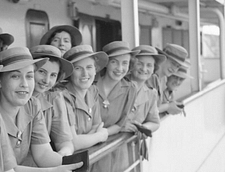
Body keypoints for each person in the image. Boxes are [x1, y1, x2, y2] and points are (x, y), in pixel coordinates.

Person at [0, 47, 82, 171]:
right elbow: (6, 169)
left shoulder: (32, 104)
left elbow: (43, 153)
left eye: (29, 76)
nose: (25, 84)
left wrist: (74, 163)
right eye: (15, 76)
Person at [90, 41, 139, 172]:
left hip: (114, 153)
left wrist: (104, 133)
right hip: (88, 151)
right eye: (114, 62)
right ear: (106, 63)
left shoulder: (130, 89)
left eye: (125, 63)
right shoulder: (90, 84)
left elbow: (120, 124)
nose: (119, 68)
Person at [61, 45, 109, 151]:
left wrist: (85, 140)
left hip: (90, 154)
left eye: (89, 67)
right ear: (70, 73)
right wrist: (100, 136)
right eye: (78, 68)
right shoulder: (63, 97)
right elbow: (74, 143)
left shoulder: (93, 90)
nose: (85, 74)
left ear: (95, 70)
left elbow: (97, 125)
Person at [30, 45, 74, 156]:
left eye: (53, 75)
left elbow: (64, 140)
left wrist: (63, 153)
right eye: (42, 72)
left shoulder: (54, 98)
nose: (47, 80)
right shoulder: (13, 97)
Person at [122, 45, 164, 134]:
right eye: (139, 63)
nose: (144, 69)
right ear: (131, 65)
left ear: (154, 69)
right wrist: (120, 126)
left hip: (135, 144)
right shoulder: (118, 86)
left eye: (149, 65)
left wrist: (142, 128)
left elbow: (155, 122)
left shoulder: (151, 93)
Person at [146, 44, 188, 115]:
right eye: (173, 63)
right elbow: (145, 110)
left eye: (178, 66)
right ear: (163, 58)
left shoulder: (164, 79)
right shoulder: (149, 77)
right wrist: (167, 107)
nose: (174, 69)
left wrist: (173, 105)